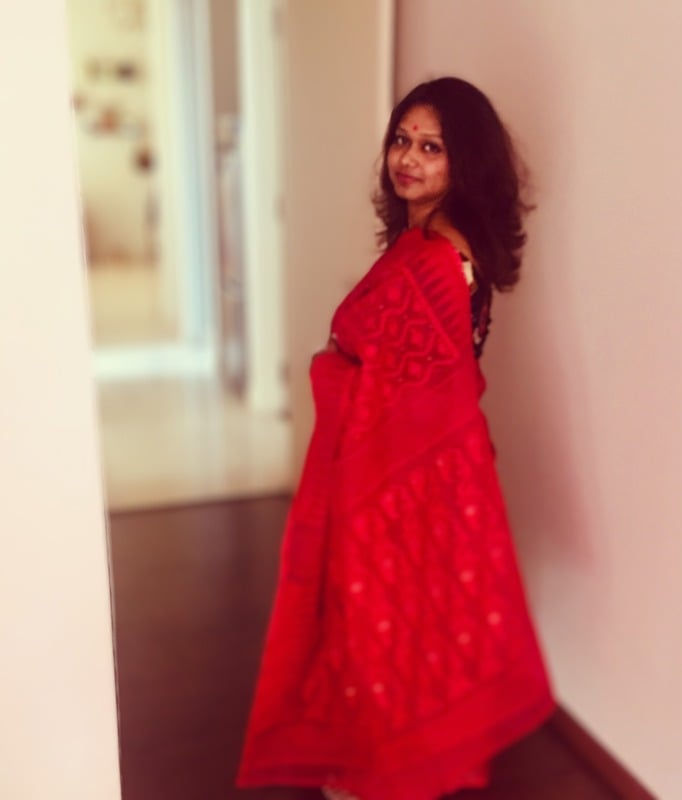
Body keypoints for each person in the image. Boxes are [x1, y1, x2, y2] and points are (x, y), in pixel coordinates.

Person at [236, 77, 555, 800]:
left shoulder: (438, 259)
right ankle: (377, 768)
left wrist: (334, 363)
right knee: (398, 635)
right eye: (402, 139)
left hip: (402, 475)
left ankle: (384, 778)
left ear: (463, 162)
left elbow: (416, 388)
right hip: (409, 468)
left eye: (432, 147)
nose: (407, 158)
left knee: (384, 630)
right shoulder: (429, 241)